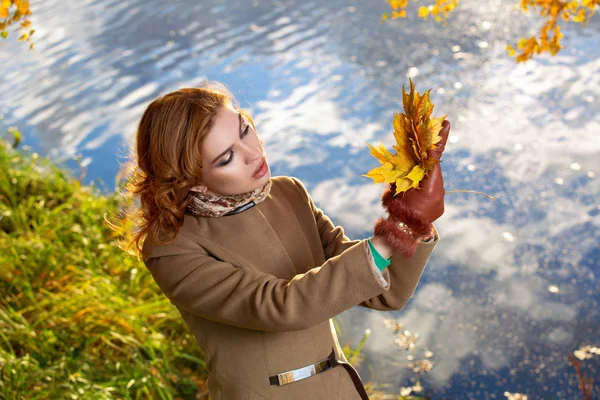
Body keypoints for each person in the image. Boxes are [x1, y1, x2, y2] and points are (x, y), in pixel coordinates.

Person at [123, 81, 450, 400]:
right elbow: (281, 307)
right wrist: (395, 230)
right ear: (194, 184)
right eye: (226, 157)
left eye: (244, 129)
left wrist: (410, 221)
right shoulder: (172, 251)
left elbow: (383, 289)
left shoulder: (288, 193)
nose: (253, 152)